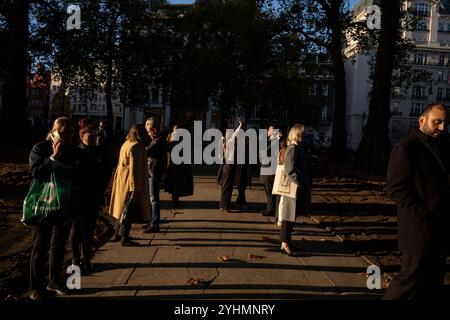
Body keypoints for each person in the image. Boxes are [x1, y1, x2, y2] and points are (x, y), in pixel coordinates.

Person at [383, 103, 450, 300]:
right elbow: (395, 189)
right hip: (417, 231)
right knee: (409, 280)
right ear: (422, 120)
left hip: (441, 227)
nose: (442, 128)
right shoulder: (406, 148)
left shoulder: (443, 146)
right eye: (437, 122)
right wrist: (422, 215)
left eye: (445, 123)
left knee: (433, 282)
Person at [27, 117, 80, 300]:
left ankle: (54, 280)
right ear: (55, 132)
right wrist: (52, 158)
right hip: (43, 204)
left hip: (64, 205)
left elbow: (78, 175)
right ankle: (35, 286)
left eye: (71, 133)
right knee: (40, 246)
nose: (69, 137)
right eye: (65, 133)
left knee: (58, 244)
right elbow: (36, 172)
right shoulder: (40, 148)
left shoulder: (72, 150)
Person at [69, 123, 111, 271]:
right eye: (90, 135)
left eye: (95, 135)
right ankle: (75, 258)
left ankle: (86, 257)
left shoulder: (98, 152)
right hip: (79, 197)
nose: (94, 138)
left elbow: (107, 171)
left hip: (94, 196)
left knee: (89, 227)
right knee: (76, 228)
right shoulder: (77, 152)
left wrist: (101, 189)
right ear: (82, 136)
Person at [109, 125, 151, 246]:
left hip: (122, 182)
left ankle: (117, 233)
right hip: (130, 184)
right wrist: (135, 188)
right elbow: (135, 169)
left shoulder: (126, 143)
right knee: (129, 211)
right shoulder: (136, 146)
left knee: (122, 209)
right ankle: (124, 237)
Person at [279, 124, 311, 256]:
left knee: (292, 216)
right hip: (293, 188)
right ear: (296, 134)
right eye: (302, 133)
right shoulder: (293, 148)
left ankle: (288, 241)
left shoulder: (297, 147)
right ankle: (284, 243)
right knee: (288, 216)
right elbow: (289, 169)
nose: (304, 135)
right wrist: (300, 182)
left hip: (295, 188)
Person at [143, 117, 168, 233]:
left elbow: (146, 151)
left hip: (154, 171)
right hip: (156, 170)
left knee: (154, 199)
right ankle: (152, 220)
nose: (148, 134)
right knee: (153, 198)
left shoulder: (158, 140)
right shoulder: (158, 138)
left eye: (148, 131)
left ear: (154, 129)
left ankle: (155, 224)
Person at [165, 124, 194, 208]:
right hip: (177, 165)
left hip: (176, 165)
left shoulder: (174, 142)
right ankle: (175, 199)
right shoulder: (177, 140)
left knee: (176, 183)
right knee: (176, 183)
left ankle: (175, 198)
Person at [219, 118, 244, 212]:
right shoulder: (229, 142)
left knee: (226, 186)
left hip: (227, 165)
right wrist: (240, 124)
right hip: (229, 165)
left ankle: (223, 205)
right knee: (227, 187)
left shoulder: (225, 142)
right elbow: (236, 133)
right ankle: (225, 206)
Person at [260, 125, 283, 216]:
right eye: (268, 129)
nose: (268, 131)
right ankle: (269, 208)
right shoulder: (269, 141)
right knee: (268, 190)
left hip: (270, 170)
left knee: (270, 191)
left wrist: (277, 139)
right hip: (266, 169)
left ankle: (271, 210)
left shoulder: (277, 142)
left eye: (271, 129)